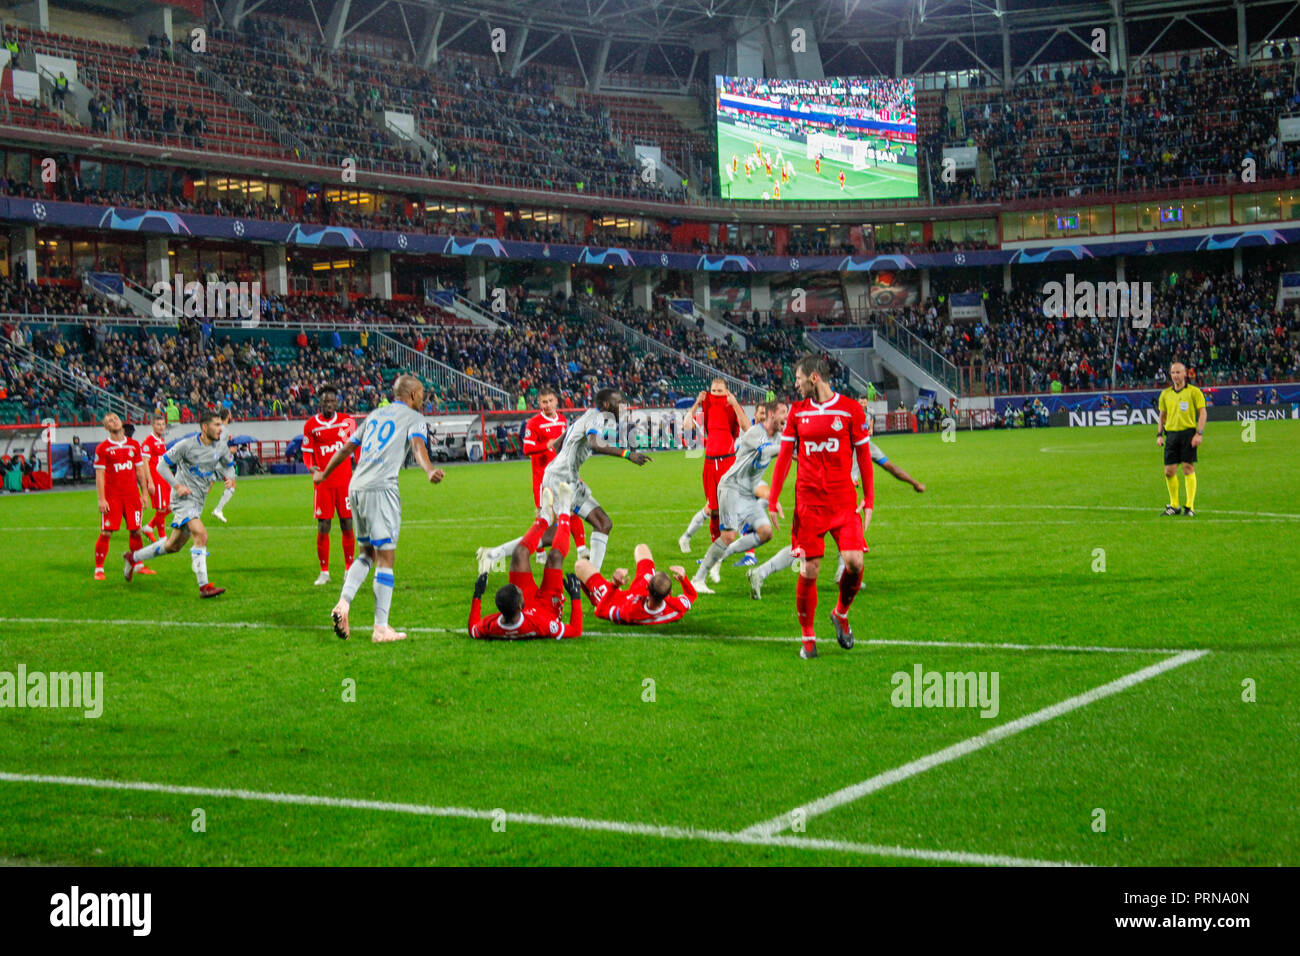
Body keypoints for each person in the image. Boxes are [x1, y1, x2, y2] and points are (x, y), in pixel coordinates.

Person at [314, 375, 445, 643]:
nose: (422, 398)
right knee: (385, 558)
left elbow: (345, 449)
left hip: (356, 486)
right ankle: (381, 628)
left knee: (366, 553)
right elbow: (418, 447)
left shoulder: (374, 415)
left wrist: (324, 474)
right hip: (381, 489)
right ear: (411, 395)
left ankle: (343, 603)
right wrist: (429, 470)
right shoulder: (413, 418)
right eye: (421, 393)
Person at [764, 354, 873, 659]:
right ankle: (808, 638)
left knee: (854, 563)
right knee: (810, 569)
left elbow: (863, 457)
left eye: (798, 379)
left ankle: (840, 613)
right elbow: (785, 456)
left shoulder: (850, 409)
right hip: (809, 504)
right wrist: (773, 499)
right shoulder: (798, 412)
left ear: (814, 378)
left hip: (843, 501)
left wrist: (870, 500)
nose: (795, 385)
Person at [477, 388, 650, 575]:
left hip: (565, 478)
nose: (623, 407)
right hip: (559, 480)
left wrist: (570, 470)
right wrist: (627, 454)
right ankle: (494, 554)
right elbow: (593, 443)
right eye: (620, 402)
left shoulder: (590, 415)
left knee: (603, 523)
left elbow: (560, 442)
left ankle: (592, 578)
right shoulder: (597, 417)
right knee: (552, 534)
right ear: (608, 405)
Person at [124, 410, 233, 597]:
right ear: (204, 427)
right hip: (183, 499)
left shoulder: (221, 447)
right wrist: (177, 485)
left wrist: (230, 479)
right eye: (216, 424)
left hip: (198, 500)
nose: (220, 428)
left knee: (173, 546)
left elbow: (229, 465)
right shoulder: (186, 445)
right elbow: (161, 465)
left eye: (220, 425)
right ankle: (204, 586)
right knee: (201, 534)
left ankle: (132, 557)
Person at [691, 401, 788, 593]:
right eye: (783, 412)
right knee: (727, 535)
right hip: (731, 487)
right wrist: (789, 445)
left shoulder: (779, 437)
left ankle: (720, 556)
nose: (786, 416)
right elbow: (767, 450)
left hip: (747, 493)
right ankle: (698, 579)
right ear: (771, 415)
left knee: (765, 533)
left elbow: (790, 453)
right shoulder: (755, 433)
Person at [469, 484, 584, 639]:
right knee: (554, 557)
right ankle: (564, 510)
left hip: (520, 609)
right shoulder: (542, 625)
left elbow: (473, 630)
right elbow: (575, 631)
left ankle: (544, 518)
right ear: (521, 604)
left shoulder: (492, 624)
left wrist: (477, 595)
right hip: (547, 609)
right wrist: (576, 597)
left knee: (519, 553)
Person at [677, 379, 750, 554]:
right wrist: (697, 403)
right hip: (710, 463)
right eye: (713, 391)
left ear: (727, 392)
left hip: (728, 462)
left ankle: (748, 549)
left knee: (736, 505)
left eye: (719, 391)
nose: (716, 395)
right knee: (714, 509)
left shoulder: (732, 406)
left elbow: (747, 427)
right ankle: (714, 546)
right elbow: (686, 425)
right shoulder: (706, 406)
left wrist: (735, 403)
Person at [302, 385, 357, 586]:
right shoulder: (311, 425)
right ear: (320, 402)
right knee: (324, 525)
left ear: (337, 402)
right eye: (326, 401)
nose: (329, 404)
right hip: (324, 484)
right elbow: (307, 452)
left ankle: (349, 569)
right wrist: (311, 468)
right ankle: (324, 571)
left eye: (333, 401)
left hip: (345, 482)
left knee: (347, 524)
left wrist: (359, 468)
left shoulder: (347, 421)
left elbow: (356, 447)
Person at [522, 386, 585, 558]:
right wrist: (546, 445)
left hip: (563, 475)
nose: (548, 405)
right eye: (544, 402)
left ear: (556, 401)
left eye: (550, 401)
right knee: (545, 517)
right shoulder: (533, 423)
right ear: (539, 403)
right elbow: (527, 448)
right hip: (543, 478)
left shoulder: (563, 420)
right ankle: (539, 549)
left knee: (571, 509)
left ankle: (581, 550)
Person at [574, 543, 696, 626]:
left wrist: (614, 586)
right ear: (669, 594)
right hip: (643, 593)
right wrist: (684, 579)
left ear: (648, 586)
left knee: (581, 565)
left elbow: (600, 612)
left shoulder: (630, 611)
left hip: (617, 600)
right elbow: (691, 596)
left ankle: (596, 597)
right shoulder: (676, 608)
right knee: (642, 548)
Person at [92, 413, 151, 581]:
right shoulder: (102, 448)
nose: (114, 421)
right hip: (113, 497)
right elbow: (100, 475)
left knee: (136, 530)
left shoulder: (134, 445)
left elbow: (140, 472)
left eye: (116, 418)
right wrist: (101, 499)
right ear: (106, 427)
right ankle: (99, 568)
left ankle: (138, 565)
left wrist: (144, 494)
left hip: (132, 495)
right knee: (106, 532)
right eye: (110, 420)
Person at [1156, 361, 1207, 517]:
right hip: (1171, 435)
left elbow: (1202, 413)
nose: (1175, 376)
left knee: (1187, 468)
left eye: (1178, 372)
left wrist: (1199, 433)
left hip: (1188, 434)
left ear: (1185, 374)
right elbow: (1162, 416)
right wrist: (1159, 434)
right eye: (1173, 373)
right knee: (1169, 471)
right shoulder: (1165, 394)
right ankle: (1174, 505)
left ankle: (1189, 506)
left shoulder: (1194, 392)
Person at [138, 412, 171, 543]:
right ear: (153, 425)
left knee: (171, 506)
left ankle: (150, 526)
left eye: (163, 424)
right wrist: (149, 482)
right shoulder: (148, 441)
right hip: (155, 478)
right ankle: (162, 537)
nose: (161, 427)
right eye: (158, 424)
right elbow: (145, 462)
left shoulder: (161, 440)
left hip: (163, 477)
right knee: (161, 508)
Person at [211, 407, 236, 522]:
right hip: (222, 463)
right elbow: (219, 446)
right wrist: (230, 451)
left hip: (215, 461)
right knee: (232, 485)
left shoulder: (220, 428)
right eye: (230, 414)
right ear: (228, 416)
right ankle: (218, 509)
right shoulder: (223, 429)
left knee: (207, 485)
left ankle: (192, 507)